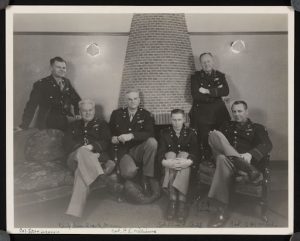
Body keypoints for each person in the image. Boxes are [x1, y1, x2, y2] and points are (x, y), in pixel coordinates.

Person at [207, 100, 273, 227]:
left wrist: (250, 154)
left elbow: (267, 145)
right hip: (234, 164)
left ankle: (222, 210)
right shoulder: (226, 126)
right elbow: (218, 144)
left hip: (243, 162)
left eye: (240, 111)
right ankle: (244, 165)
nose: (236, 114)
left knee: (221, 159)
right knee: (214, 136)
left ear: (246, 112)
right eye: (234, 111)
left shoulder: (257, 128)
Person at [64, 99, 123, 218]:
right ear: (80, 112)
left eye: (90, 110)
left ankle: (73, 214)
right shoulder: (73, 125)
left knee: (80, 174)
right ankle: (105, 179)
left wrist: (92, 148)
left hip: (92, 161)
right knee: (82, 151)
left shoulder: (102, 124)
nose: (88, 113)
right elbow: (66, 142)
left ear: (94, 110)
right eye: (84, 111)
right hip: (74, 159)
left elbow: (106, 141)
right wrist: (84, 151)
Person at [109, 89, 157, 194]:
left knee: (152, 142)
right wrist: (113, 138)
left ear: (139, 100)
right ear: (126, 101)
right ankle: (130, 183)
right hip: (123, 151)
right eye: (130, 99)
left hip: (137, 149)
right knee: (129, 173)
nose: (133, 101)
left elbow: (150, 133)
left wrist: (131, 135)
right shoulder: (117, 114)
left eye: (135, 99)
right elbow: (109, 132)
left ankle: (146, 178)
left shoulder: (146, 115)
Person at [15, 56, 81, 132]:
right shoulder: (41, 84)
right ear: (51, 68)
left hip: (65, 120)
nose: (62, 70)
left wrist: (77, 113)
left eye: (64, 68)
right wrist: (24, 125)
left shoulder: (66, 82)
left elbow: (77, 99)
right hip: (48, 123)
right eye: (58, 67)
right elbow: (31, 106)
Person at [158, 109, 198, 223]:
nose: (177, 123)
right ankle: (173, 201)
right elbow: (160, 152)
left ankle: (180, 203)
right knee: (170, 154)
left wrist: (188, 162)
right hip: (170, 163)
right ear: (171, 120)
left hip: (184, 165)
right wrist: (165, 162)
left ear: (184, 119)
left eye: (179, 120)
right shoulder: (164, 133)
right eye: (174, 120)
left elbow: (196, 152)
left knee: (185, 155)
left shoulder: (191, 132)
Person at [189, 52, 230, 160]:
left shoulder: (220, 76)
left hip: (219, 114)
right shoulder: (195, 77)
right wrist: (216, 96)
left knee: (222, 141)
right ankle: (207, 166)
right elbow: (196, 95)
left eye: (208, 61)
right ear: (201, 64)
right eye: (204, 62)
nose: (206, 64)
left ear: (212, 61)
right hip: (203, 115)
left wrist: (207, 91)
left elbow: (225, 91)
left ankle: (222, 165)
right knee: (205, 142)